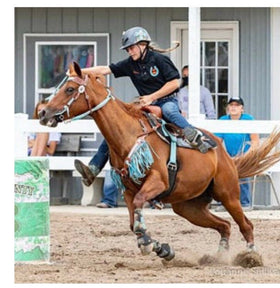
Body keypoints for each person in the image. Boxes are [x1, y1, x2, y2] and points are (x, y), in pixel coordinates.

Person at [74, 26, 216, 188]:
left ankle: (195, 135)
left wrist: (152, 97)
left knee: (170, 111)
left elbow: (175, 82)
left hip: (166, 101)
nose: (130, 52)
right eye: (127, 49)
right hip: (145, 105)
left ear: (143, 45)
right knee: (116, 131)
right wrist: (78, 71)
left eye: (132, 48)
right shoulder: (129, 64)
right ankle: (93, 169)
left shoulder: (159, 60)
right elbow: (104, 69)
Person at [214, 97, 259, 211]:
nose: (233, 107)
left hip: (246, 155)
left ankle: (244, 203)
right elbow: (218, 142)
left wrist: (244, 156)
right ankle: (224, 203)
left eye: (237, 105)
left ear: (242, 108)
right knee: (220, 172)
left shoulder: (248, 119)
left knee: (240, 171)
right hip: (229, 155)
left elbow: (255, 142)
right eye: (231, 105)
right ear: (228, 107)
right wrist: (225, 157)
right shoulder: (223, 120)